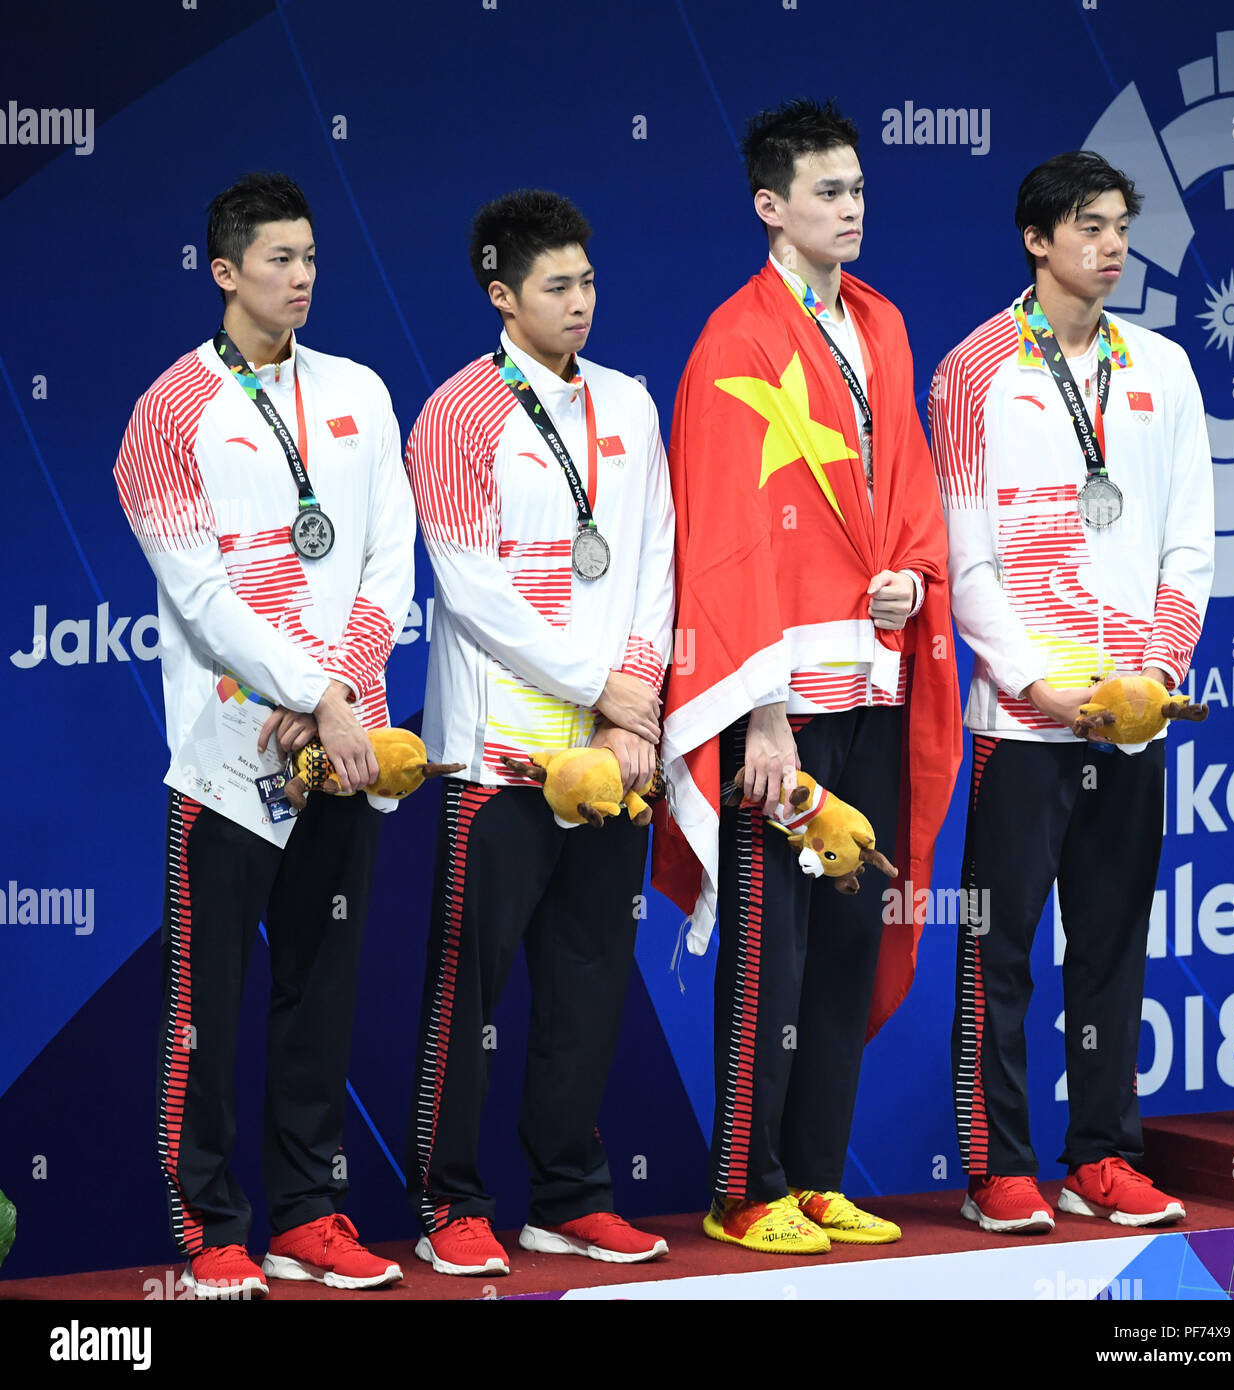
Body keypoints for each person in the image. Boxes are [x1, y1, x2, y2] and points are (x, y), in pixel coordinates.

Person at [653, 99, 961, 1254]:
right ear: (770, 206)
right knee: (770, 954)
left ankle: (818, 1178)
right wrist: (761, 716)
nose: (852, 209)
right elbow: (725, 540)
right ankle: (744, 1185)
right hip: (780, 706)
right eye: (829, 192)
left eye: (861, 191)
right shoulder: (734, 342)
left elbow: (913, 493)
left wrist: (915, 586)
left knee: (842, 945)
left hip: (875, 687)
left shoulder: (881, 325)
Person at [113, 172, 415, 1298]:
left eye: (312, 258)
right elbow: (200, 596)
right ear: (224, 271)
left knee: (321, 997)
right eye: (278, 259)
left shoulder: (362, 391)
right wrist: (310, 687)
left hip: (341, 749)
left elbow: (391, 554)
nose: (302, 277)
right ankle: (209, 1228)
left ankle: (309, 1213)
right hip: (227, 762)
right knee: (208, 1014)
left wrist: (338, 689)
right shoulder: (167, 413)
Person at [929, 150, 1214, 1234]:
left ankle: (1101, 1155)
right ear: (1036, 239)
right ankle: (1000, 1167)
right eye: (1089, 225)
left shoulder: (1166, 369)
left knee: (1110, 946)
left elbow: (1191, 545)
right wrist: (1042, 686)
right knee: (999, 953)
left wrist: (1154, 678)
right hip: (1025, 722)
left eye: (1120, 224)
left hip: (1131, 718)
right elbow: (969, 563)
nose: (1112, 243)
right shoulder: (972, 373)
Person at [404, 189, 675, 1276]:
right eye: (557, 287)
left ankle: (568, 1193)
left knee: (591, 976)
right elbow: (473, 593)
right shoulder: (458, 415)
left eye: (589, 282)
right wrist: (603, 688)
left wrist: (635, 700)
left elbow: (653, 560)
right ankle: (449, 1199)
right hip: (501, 762)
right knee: (466, 989)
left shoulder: (631, 405)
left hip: (611, 760)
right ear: (502, 294)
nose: (580, 303)